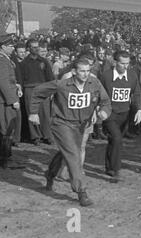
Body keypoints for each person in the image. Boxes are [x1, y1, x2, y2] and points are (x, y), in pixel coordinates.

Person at [29, 58, 111, 206]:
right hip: (62, 123)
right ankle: (81, 192)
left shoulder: (95, 83)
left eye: (88, 71)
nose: (86, 74)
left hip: (80, 126)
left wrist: (104, 112)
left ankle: (50, 174)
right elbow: (37, 91)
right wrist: (33, 112)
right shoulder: (62, 84)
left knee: (66, 153)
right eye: (82, 71)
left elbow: (105, 101)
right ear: (74, 71)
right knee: (74, 154)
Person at [100, 51, 141, 182]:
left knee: (114, 140)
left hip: (125, 113)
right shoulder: (105, 76)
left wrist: (139, 110)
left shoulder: (132, 75)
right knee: (117, 139)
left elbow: (136, 94)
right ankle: (116, 169)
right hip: (110, 113)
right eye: (122, 63)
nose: (125, 66)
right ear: (114, 62)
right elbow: (98, 93)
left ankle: (109, 167)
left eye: (127, 63)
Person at [20, 39, 54, 145]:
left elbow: (50, 77)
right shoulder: (23, 63)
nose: (36, 49)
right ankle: (35, 137)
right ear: (29, 48)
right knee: (32, 113)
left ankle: (47, 135)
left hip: (43, 89)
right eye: (33, 47)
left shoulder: (44, 61)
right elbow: (21, 79)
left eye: (37, 46)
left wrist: (51, 90)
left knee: (45, 113)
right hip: (29, 89)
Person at [0, 35, 20, 168]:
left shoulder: (6, 59)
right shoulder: (2, 61)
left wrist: (17, 86)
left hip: (6, 99)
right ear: (3, 46)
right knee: (6, 130)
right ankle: (5, 160)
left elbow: (9, 80)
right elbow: (3, 82)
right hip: (5, 101)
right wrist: (13, 100)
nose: (13, 48)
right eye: (11, 46)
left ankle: (6, 158)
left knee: (8, 130)